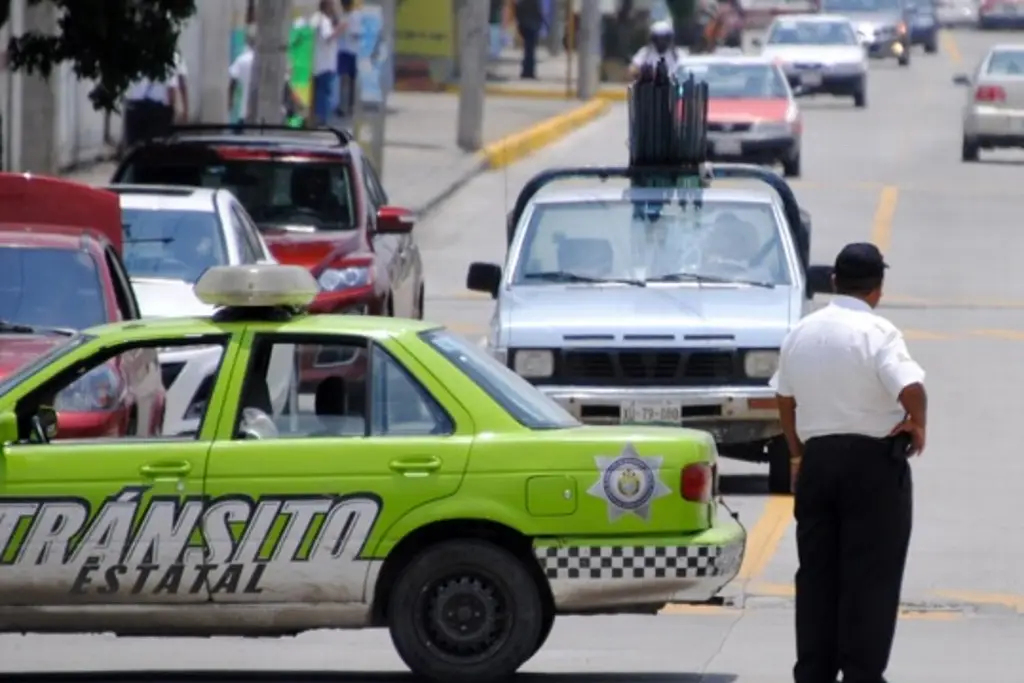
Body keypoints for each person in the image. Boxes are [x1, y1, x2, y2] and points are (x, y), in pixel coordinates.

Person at [771, 242, 927, 683]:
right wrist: (919, 423)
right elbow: (910, 386)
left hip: (818, 463)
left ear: (835, 281)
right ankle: (861, 674)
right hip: (872, 466)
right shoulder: (878, 333)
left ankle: (814, 673)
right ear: (877, 288)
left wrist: (798, 453)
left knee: (818, 575)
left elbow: (784, 398)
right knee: (871, 576)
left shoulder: (801, 331)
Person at [122, 63, 179, 150]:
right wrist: (170, 111)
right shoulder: (165, 62)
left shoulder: (133, 60)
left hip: (138, 108)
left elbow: (171, 89)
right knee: (154, 145)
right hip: (154, 109)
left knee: (135, 146)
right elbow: (171, 89)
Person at [310, 0, 347, 125]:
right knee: (323, 93)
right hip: (325, 64)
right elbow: (328, 37)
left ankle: (317, 116)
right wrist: (340, 29)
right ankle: (321, 118)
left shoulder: (316, 19)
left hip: (318, 62)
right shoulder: (323, 21)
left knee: (319, 92)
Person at [335, 0, 361, 118]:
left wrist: (349, 32)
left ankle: (351, 107)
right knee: (344, 80)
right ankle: (343, 107)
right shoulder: (341, 17)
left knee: (352, 80)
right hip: (343, 51)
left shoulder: (356, 16)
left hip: (353, 52)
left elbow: (358, 34)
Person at [228, 27, 256, 124]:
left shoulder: (241, 60)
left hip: (243, 112)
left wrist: (230, 101)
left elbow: (232, 82)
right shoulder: (266, 61)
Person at [515, 0, 544, 80]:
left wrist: (520, 26)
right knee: (531, 51)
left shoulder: (522, 2)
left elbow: (518, 14)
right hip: (532, 27)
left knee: (527, 50)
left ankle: (526, 71)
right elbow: (539, 14)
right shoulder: (535, 2)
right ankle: (529, 72)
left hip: (526, 27)